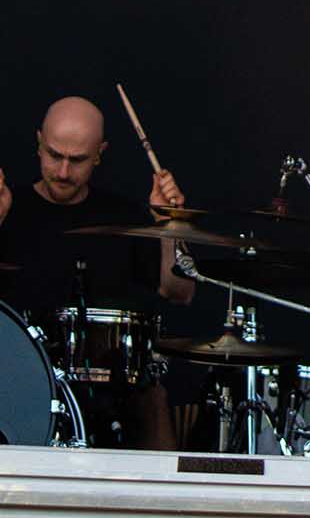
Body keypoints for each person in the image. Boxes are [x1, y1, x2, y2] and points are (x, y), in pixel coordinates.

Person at [0, 95, 194, 448]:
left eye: (77, 160)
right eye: (54, 155)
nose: (63, 172)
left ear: (99, 154)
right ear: (39, 143)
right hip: (17, 374)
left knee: (153, 396)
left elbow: (179, 293)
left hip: (111, 384)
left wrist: (169, 225)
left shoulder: (125, 217)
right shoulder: (10, 208)